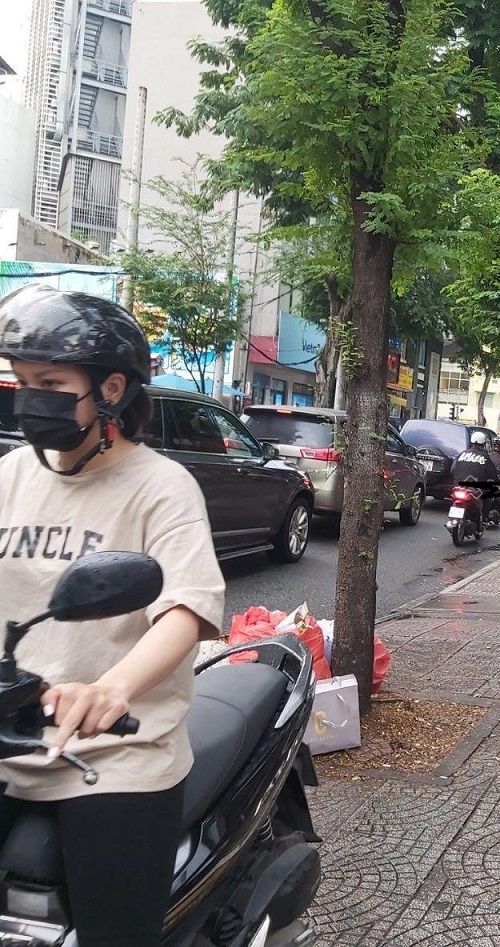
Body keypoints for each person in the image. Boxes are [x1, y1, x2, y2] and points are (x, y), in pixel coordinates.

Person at [0, 285, 225, 946]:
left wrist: (111, 689)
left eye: (50, 384)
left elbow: (186, 608)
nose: (29, 398)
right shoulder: (10, 475)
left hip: (112, 752)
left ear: (111, 390)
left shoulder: (161, 486)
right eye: (21, 381)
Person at [453, 430, 500, 519]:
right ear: (483, 444)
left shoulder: (462, 453)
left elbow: (452, 470)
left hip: (459, 487)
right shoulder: (484, 456)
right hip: (475, 490)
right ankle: (484, 519)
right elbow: (492, 474)